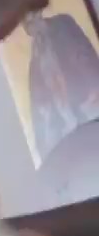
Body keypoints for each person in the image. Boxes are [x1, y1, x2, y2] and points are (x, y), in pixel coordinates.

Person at [24, 8, 99, 159]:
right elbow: (39, 108)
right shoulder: (35, 59)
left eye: (29, 18)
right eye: (25, 22)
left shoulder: (62, 24)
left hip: (87, 105)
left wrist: (94, 91)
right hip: (66, 121)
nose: (26, 24)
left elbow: (85, 54)